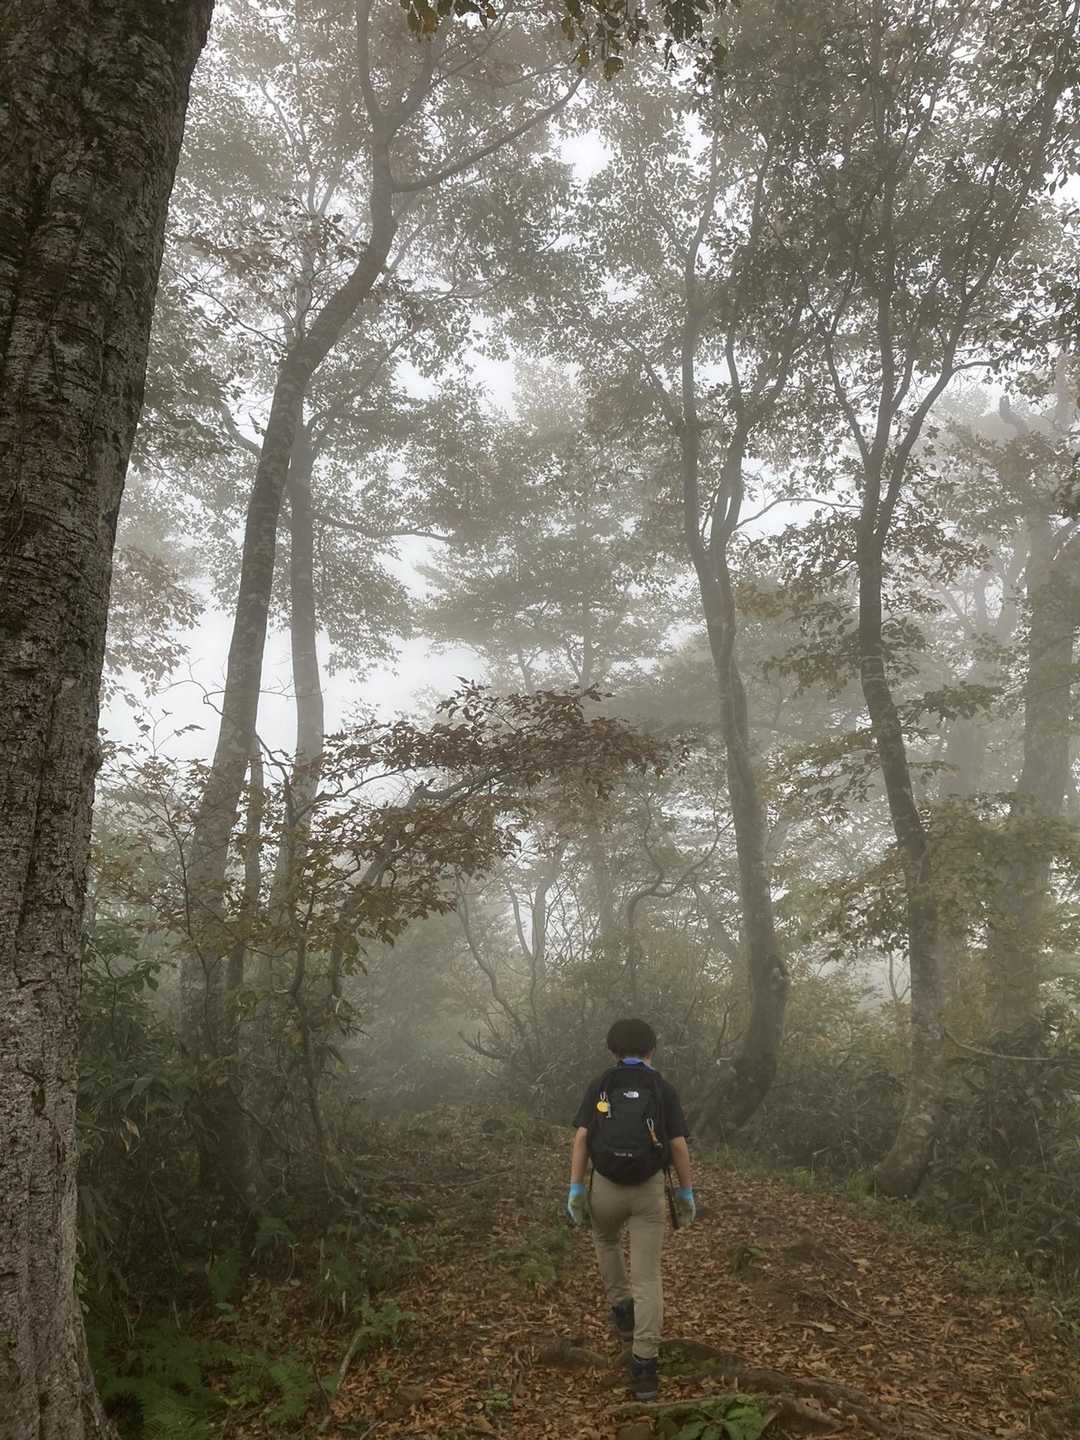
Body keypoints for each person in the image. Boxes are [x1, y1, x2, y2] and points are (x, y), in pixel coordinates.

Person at [565, 1017, 694, 1401]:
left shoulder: (601, 1084)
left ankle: (622, 1308)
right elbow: (678, 1146)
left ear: (613, 1050)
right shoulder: (662, 1088)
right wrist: (686, 1193)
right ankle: (645, 1367)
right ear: (652, 1049)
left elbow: (581, 1139)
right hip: (648, 1192)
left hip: (604, 1188)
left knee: (605, 1240)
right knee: (648, 1278)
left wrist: (575, 1188)